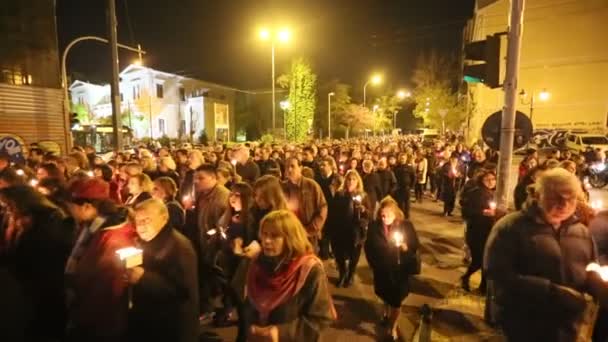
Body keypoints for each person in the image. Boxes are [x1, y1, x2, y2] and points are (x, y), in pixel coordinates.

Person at [484, 168, 606, 341]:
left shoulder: (581, 231)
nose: (564, 204)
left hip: (568, 324)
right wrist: (551, 292)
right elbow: (498, 274)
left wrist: (599, 287)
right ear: (537, 195)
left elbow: (590, 266)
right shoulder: (511, 228)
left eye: (571, 198)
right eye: (556, 197)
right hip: (526, 323)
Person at [246, 210, 336, 341]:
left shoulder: (309, 270)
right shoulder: (257, 265)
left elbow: (320, 318)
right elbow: (249, 303)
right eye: (264, 234)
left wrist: (280, 333)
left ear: (290, 238)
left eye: (274, 236)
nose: (266, 241)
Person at [64, 178, 136, 341]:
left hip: (102, 319)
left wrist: (84, 314)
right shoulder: (92, 226)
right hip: (88, 310)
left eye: (71, 207)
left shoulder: (113, 237)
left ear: (87, 206)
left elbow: (109, 286)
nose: (70, 212)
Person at [0, 185, 73, 341]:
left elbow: (40, 251)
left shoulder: (49, 219)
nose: (7, 209)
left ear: (22, 202)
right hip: (24, 279)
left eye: (9, 205)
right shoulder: (18, 218)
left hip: (42, 280)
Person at [127, 199, 199, 342]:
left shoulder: (179, 246)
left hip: (170, 327)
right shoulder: (148, 241)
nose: (140, 226)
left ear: (164, 218)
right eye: (138, 221)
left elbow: (183, 291)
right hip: (151, 321)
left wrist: (143, 277)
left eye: (146, 220)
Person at [365, 197, 420, 341]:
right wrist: (373, 263)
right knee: (384, 294)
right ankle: (386, 313)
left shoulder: (406, 226)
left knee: (396, 300)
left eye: (388, 215)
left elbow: (415, 245)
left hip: (399, 270)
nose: (385, 218)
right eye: (382, 215)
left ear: (395, 213)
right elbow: (368, 247)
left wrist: (405, 247)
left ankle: (393, 326)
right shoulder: (374, 226)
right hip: (382, 270)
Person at [215, 182, 255, 339]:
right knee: (235, 300)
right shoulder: (230, 215)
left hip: (240, 267)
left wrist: (239, 246)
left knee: (243, 305)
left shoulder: (248, 219)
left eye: (237, 195)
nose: (232, 197)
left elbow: (249, 244)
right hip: (228, 265)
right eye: (231, 194)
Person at [329, 170, 370, 288]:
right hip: (341, 229)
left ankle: (351, 274)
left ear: (358, 181)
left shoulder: (363, 196)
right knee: (340, 254)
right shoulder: (340, 194)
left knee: (354, 255)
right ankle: (342, 274)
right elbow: (333, 212)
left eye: (353, 179)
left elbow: (370, 215)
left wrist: (363, 210)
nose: (351, 181)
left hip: (356, 231)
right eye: (349, 179)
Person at [460, 169, 496, 293]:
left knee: (485, 260)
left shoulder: (491, 193)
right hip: (476, 231)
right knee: (479, 260)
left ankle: (483, 286)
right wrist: (483, 212)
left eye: (493, 179)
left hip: (487, 230)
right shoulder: (475, 193)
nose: (491, 182)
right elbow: (466, 211)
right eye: (488, 179)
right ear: (481, 180)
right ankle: (466, 278)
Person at [282, 157, 328, 251]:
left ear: (300, 168)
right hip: (290, 236)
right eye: (287, 167)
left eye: (292, 166)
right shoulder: (283, 188)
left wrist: (312, 229)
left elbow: (322, 208)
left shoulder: (311, 186)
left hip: (309, 236)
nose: (289, 169)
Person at [315, 156, 343, 260]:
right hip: (322, 210)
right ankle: (324, 253)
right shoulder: (317, 179)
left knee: (334, 234)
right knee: (324, 234)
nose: (322, 167)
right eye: (321, 165)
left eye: (324, 165)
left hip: (334, 211)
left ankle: (334, 252)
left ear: (331, 166)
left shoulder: (337, 179)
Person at [393, 152, 415, 218]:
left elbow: (413, 177)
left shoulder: (409, 168)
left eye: (403, 158)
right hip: (398, 188)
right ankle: (401, 216)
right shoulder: (396, 168)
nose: (402, 159)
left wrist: (411, 186)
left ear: (406, 159)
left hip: (406, 188)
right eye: (401, 158)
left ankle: (407, 216)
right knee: (400, 203)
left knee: (407, 203)